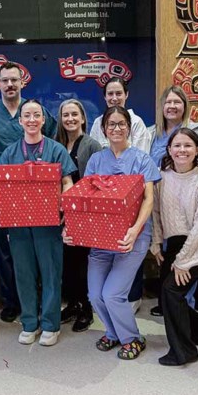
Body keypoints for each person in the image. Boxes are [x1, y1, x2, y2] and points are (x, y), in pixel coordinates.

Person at [64, 106, 160, 360]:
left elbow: (148, 200)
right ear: (104, 129)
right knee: (95, 294)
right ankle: (112, 332)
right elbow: (87, 199)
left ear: (129, 127)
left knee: (113, 294)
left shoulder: (142, 159)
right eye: (111, 124)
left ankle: (132, 338)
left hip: (132, 239)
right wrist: (72, 229)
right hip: (100, 240)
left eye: (121, 124)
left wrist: (135, 230)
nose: (116, 129)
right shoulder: (97, 160)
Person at [0, 62, 57, 323]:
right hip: (1, 193)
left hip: (36, 192)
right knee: (4, 250)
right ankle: (11, 301)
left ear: (22, 82)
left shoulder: (35, 111)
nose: (9, 85)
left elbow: (51, 139)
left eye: (14, 80)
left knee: (37, 247)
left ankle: (39, 299)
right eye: (5, 80)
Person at [0, 100, 75, 347]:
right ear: (20, 121)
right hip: (19, 224)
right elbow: (1, 188)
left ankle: (51, 325)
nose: (31, 120)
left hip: (49, 222)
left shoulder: (56, 150)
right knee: (24, 273)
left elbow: (67, 182)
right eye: (26, 116)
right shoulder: (10, 153)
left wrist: (65, 205)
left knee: (51, 272)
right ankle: (30, 322)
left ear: (43, 120)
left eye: (36, 115)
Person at [150, 128, 198, 366]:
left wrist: (184, 262)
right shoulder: (163, 176)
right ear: (169, 150)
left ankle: (183, 351)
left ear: (197, 150)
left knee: (172, 290)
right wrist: (156, 241)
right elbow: (157, 212)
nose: (182, 150)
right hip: (177, 240)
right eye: (177, 146)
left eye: (188, 146)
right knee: (168, 292)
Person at [55, 99, 102, 331]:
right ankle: (72, 303)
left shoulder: (92, 145)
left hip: (84, 213)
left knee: (83, 263)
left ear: (83, 117)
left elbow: (98, 183)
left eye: (74, 114)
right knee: (68, 263)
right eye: (66, 115)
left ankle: (86, 308)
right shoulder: (57, 144)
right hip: (61, 214)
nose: (70, 119)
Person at [88, 77, 152, 153]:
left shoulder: (136, 122)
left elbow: (142, 157)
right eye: (110, 94)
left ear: (126, 94)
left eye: (118, 93)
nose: (114, 98)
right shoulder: (98, 123)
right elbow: (92, 154)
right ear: (105, 97)